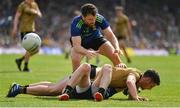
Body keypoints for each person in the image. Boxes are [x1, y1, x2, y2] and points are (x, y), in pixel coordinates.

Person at [7, 63, 160, 102]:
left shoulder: (134, 76)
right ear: (147, 78)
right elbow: (130, 83)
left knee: (53, 88)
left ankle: (21, 88)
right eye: (151, 85)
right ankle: (20, 88)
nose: (150, 89)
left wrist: (135, 95)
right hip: (91, 79)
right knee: (53, 89)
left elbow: (130, 88)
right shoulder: (135, 74)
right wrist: (136, 99)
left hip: (88, 81)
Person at [70, 3, 126, 71]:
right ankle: (77, 79)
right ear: (83, 17)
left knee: (115, 55)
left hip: (96, 39)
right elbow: (76, 46)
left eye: (94, 18)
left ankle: (122, 77)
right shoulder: (76, 23)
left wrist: (117, 47)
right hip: (82, 43)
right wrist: (86, 52)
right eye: (90, 19)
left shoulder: (99, 18)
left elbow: (110, 35)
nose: (93, 21)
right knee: (75, 60)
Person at [12, 0, 42, 72]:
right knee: (29, 49)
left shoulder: (34, 4)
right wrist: (15, 28)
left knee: (36, 50)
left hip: (32, 29)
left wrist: (34, 11)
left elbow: (40, 14)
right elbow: (17, 16)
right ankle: (25, 66)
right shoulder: (22, 5)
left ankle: (20, 60)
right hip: (24, 29)